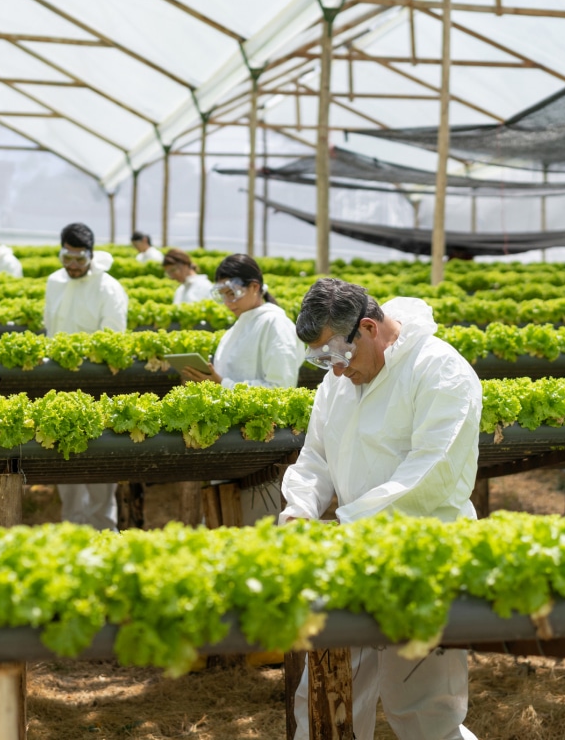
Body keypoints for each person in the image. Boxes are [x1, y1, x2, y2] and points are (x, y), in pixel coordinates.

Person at [280, 278, 482, 740]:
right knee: (325, 702)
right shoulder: (339, 382)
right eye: (320, 360)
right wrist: (299, 511)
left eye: (337, 356)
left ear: (368, 327)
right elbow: (315, 458)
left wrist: (342, 526)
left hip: (424, 557)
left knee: (424, 711)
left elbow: (428, 477)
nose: (333, 371)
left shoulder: (439, 371)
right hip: (351, 557)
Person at [44, 223, 128, 531]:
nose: (72, 266)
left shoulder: (109, 288)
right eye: (67, 257)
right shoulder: (54, 282)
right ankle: (72, 534)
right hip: (58, 392)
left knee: (99, 470)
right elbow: (49, 331)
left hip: (97, 393)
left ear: (91, 255)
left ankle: (104, 533)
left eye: (79, 259)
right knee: (65, 469)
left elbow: (113, 342)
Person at [178, 253, 304, 389]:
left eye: (232, 294)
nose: (227, 302)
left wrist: (222, 384)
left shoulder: (275, 323)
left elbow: (282, 387)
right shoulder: (240, 326)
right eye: (222, 295)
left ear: (254, 287)